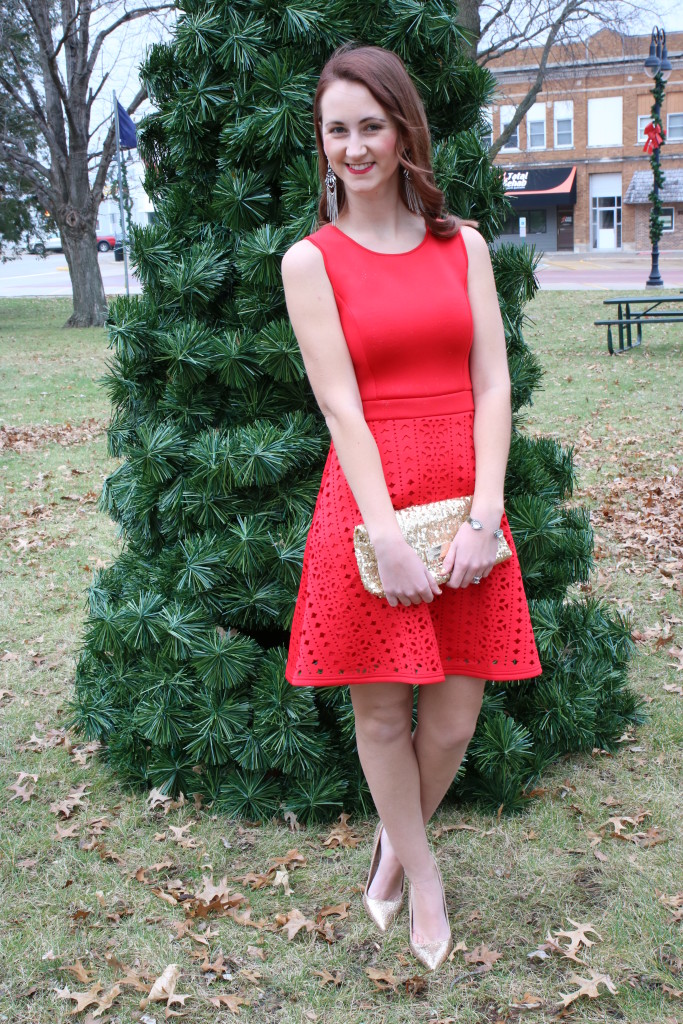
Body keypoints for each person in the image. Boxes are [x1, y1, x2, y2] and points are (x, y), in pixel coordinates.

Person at [280, 42, 542, 971]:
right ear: (323, 143)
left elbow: (492, 385)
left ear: (402, 132)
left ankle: (393, 844)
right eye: (335, 131)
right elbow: (339, 405)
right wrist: (385, 534)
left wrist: (484, 514)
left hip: (465, 496)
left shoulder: (460, 246)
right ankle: (418, 875)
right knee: (385, 712)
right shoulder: (310, 261)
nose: (353, 147)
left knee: (455, 718)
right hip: (369, 505)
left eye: (369, 127)